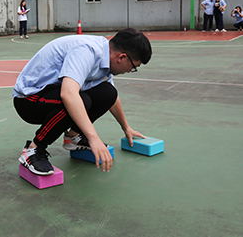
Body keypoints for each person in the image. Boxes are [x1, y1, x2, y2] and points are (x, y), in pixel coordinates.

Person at [14, 28, 152, 175]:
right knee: (78, 100)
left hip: (51, 95)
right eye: (133, 67)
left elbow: (111, 98)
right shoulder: (87, 50)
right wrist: (94, 138)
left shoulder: (106, 57)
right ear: (122, 57)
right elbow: (68, 94)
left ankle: (73, 138)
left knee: (108, 92)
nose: (130, 71)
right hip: (29, 100)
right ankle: (33, 150)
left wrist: (126, 127)